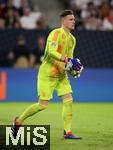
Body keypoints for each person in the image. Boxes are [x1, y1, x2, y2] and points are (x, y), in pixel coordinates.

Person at [11, 10, 83, 139]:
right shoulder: (55, 33)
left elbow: (70, 58)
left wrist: (72, 69)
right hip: (47, 74)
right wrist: (67, 60)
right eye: (71, 19)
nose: (74, 21)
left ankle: (67, 132)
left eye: (74, 19)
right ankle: (18, 121)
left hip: (61, 75)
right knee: (42, 106)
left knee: (68, 100)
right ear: (63, 21)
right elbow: (51, 51)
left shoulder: (72, 39)